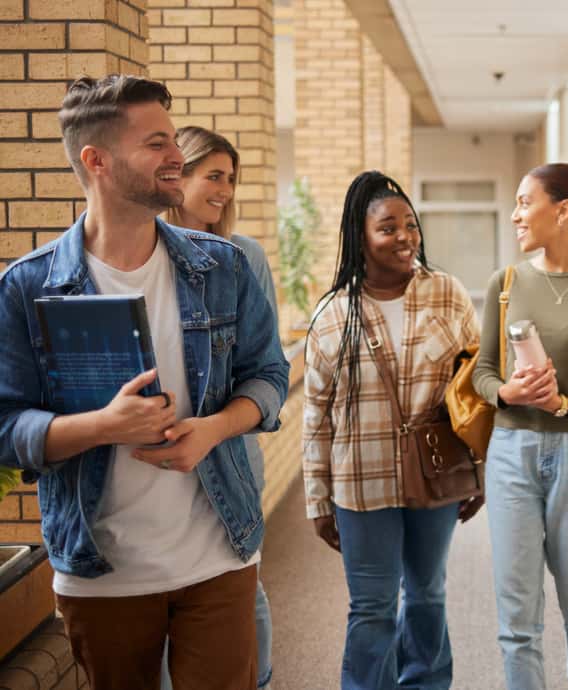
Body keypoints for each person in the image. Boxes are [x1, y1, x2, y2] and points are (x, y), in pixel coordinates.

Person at [0, 75, 289, 690]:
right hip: (102, 572)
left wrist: (213, 429)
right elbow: (6, 426)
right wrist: (101, 427)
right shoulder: (27, 286)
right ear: (97, 161)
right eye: (156, 143)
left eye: (173, 140)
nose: (176, 156)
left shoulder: (223, 266)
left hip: (218, 555)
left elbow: (269, 376)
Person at [302, 170, 482, 690]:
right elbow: (317, 416)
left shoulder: (447, 294)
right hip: (362, 481)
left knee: (427, 593)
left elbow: (473, 389)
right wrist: (318, 499)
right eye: (387, 228)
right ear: (360, 237)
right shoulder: (333, 315)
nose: (405, 237)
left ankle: (426, 682)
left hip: (437, 472)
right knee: (372, 607)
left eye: (410, 225)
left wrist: (479, 467)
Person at [472, 163, 568, 690]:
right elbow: (483, 372)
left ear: (563, 210)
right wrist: (506, 393)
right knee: (517, 611)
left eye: (524, 202)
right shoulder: (506, 282)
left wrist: (560, 404)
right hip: (512, 452)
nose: (515, 214)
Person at [160, 126, 277, 690]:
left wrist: (216, 426)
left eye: (231, 179)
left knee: (242, 592)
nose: (226, 191)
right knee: (165, 603)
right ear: (177, 175)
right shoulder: (142, 255)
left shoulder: (243, 257)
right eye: (214, 176)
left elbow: (266, 365)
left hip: (231, 453)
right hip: (157, 457)